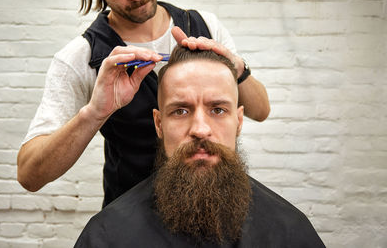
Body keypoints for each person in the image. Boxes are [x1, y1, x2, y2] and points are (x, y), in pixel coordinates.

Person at [17, 0, 270, 207]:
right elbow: (29, 175)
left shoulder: (205, 26)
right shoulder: (81, 58)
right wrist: (95, 113)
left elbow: (260, 111)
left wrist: (237, 68)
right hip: (131, 216)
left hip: (213, 202)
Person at [74, 46, 325, 247]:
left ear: (238, 121)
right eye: (181, 111)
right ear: (159, 124)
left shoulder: (288, 230)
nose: (200, 129)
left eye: (217, 110)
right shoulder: (109, 236)